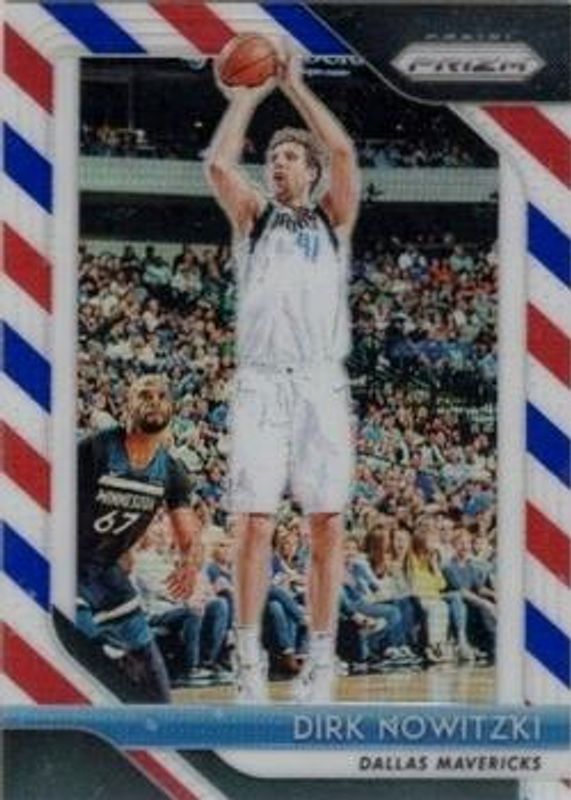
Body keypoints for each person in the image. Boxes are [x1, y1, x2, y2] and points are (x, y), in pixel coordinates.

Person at [205, 42, 360, 702]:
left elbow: (343, 152)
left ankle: (321, 661)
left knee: (327, 523)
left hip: (321, 383)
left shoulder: (330, 218)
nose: (276, 164)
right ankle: (246, 661)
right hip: (262, 383)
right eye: (271, 158)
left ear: (310, 171)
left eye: (289, 157)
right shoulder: (255, 217)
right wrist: (247, 97)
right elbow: (219, 163)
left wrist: (294, 87)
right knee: (253, 522)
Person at [76, 374, 201, 702]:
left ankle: (161, 725)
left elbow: (188, 533)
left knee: (153, 678)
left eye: (162, 396)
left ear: (171, 408)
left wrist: (189, 562)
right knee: (85, 650)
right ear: (126, 405)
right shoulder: (96, 449)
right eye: (145, 395)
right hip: (64, 565)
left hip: (105, 572)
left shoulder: (171, 471)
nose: (154, 401)